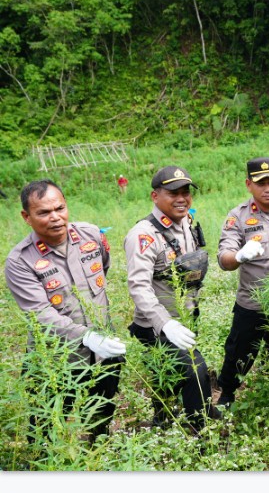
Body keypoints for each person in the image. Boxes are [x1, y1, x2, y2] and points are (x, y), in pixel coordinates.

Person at [5, 179, 125, 442]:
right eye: (44, 212)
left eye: (59, 208)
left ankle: (98, 446)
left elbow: (103, 269)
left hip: (103, 348)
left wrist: (98, 336)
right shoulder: (20, 261)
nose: (55, 217)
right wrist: (85, 336)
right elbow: (40, 314)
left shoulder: (91, 235)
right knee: (46, 427)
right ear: (26, 217)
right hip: (56, 360)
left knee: (102, 409)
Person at [124, 165, 219, 429]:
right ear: (155, 196)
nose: (182, 198)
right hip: (157, 326)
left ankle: (163, 419)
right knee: (195, 369)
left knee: (166, 374)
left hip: (184, 319)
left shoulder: (185, 223)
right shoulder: (143, 235)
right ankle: (199, 427)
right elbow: (139, 286)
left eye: (186, 192)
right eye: (173, 193)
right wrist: (165, 324)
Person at [216, 157, 269, 406]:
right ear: (248, 185)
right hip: (253, 303)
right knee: (238, 354)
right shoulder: (239, 216)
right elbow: (224, 257)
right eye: (261, 183)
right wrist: (238, 256)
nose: (268, 188)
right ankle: (227, 395)